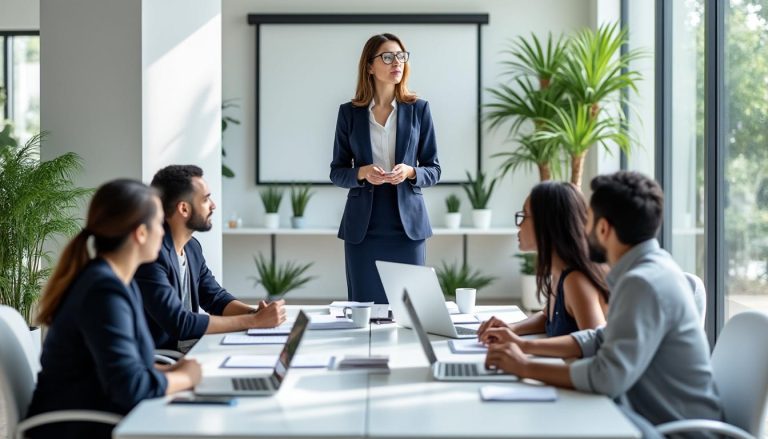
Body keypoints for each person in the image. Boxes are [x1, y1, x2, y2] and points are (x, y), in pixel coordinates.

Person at [481, 171, 723, 437]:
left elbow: (606, 377)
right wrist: (524, 346)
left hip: (674, 431)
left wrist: (525, 366)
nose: (583, 229)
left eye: (589, 220)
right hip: (650, 418)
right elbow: (600, 337)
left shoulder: (643, 282)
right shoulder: (650, 270)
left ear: (604, 229)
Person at [27, 179, 202, 439]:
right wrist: (186, 378)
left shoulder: (116, 281)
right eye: (158, 224)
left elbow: (128, 367)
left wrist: (174, 371)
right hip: (76, 428)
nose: (163, 232)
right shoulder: (103, 291)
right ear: (140, 233)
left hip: (101, 414)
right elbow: (130, 387)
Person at [330, 33, 440, 303]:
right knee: (364, 309)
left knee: (411, 308)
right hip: (363, 229)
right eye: (388, 57)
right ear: (369, 66)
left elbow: (433, 169)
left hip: (407, 227)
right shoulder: (349, 113)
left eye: (401, 56)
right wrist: (362, 172)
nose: (397, 62)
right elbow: (337, 171)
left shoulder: (419, 110)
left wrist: (410, 172)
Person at [135, 165, 286, 352]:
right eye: (206, 199)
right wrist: (254, 321)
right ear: (184, 208)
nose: (213, 205)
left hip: (192, 349)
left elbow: (215, 298)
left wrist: (256, 313)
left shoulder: (192, 247)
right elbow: (179, 323)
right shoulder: (152, 256)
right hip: (166, 359)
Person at [478, 181, 608, 338]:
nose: (519, 225)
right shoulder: (559, 272)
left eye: (524, 215)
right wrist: (511, 328)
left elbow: (596, 344)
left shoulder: (575, 280)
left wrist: (522, 346)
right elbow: (548, 317)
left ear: (546, 224)